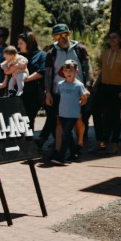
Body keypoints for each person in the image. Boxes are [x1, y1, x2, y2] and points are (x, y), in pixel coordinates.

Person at [43, 23, 92, 157]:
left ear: (69, 33)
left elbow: (88, 70)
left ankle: (79, 143)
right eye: (57, 36)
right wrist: (48, 93)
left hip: (77, 90)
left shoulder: (80, 49)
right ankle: (58, 150)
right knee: (59, 121)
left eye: (64, 34)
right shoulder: (51, 52)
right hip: (59, 91)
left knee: (78, 120)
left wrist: (87, 88)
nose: (61, 38)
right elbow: (47, 74)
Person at [91, 30, 121, 155]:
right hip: (104, 87)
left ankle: (114, 144)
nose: (111, 40)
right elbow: (103, 71)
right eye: (110, 37)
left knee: (115, 115)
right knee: (95, 111)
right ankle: (100, 142)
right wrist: (95, 85)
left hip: (117, 88)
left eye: (114, 37)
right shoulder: (105, 53)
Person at [50, 60, 89, 164]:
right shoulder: (60, 84)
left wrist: (76, 106)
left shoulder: (79, 85)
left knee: (65, 134)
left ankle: (60, 157)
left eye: (71, 70)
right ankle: (74, 154)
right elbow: (60, 98)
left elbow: (84, 99)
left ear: (76, 71)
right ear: (63, 71)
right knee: (68, 135)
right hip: (62, 113)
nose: (68, 73)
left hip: (73, 114)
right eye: (66, 70)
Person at [16, 31, 47, 132]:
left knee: (29, 118)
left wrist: (26, 79)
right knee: (18, 118)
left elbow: (42, 71)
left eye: (21, 43)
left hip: (34, 92)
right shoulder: (17, 56)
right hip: (18, 91)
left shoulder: (41, 55)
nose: (18, 46)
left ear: (28, 43)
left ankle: (29, 139)